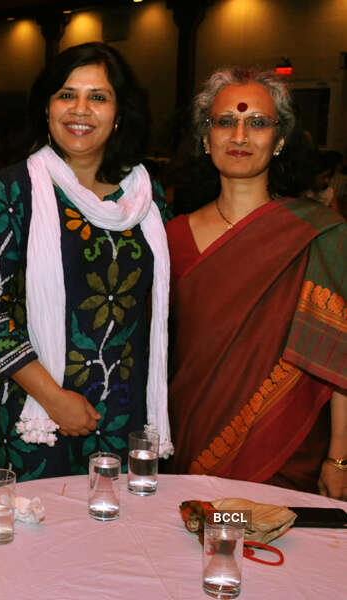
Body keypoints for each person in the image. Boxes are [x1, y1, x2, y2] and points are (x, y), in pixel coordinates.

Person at [0, 42, 173, 480]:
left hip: (125, 411)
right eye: (66, 95)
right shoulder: (12, 192)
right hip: (36, 414)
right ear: (46, 107)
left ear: (119, 113)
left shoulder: (145, 198)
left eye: (97, 97)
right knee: (39, 541)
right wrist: (55, 398)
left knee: (125, 541)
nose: (80, 109)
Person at [166, 67, 346, 499]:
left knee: (276, 555)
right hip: (192, 441)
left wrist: (340, 457)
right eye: (225, 121)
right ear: (205, 138)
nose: (240, 135)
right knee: (202, 547)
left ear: (279, 139)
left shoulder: (321, 234)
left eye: (258, 122)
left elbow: (338, 356)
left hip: (287, 449)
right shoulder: (168, 236)